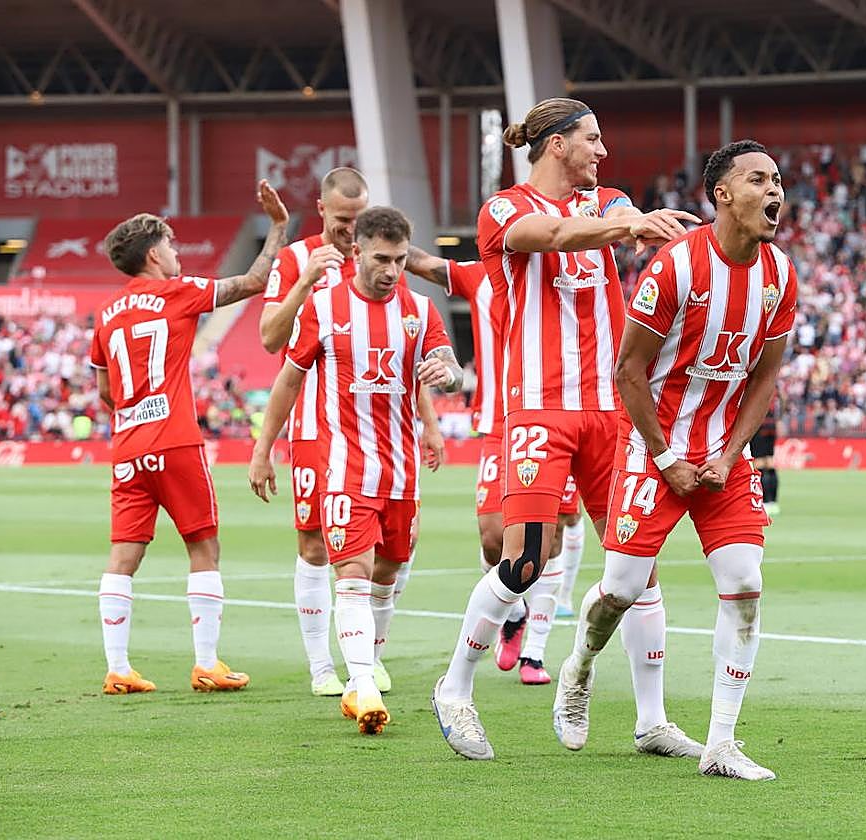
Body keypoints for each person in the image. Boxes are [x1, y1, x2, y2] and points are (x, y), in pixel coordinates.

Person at [431, 96, 701, 760]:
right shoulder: (504, 209)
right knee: (524, 561)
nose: (602, 151)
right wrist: (628, 228)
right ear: (557, 145)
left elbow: (616, 215)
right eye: (591, 139)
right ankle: (455, 690)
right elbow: (545, 238)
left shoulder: (609, 200)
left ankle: (651, 720)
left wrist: (632, 221)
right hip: (539, 410)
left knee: (639, 569)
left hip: (610, 414)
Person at [553, 140, 797, 781]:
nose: (774, 191)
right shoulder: (676, 267)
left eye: (777, 180)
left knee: (745, 587)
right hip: (653, 453)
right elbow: (628, 371)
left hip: (721, 461)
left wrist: (729, 452)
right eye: (758, 179)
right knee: (624, 590)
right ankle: (578, 669)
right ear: (723, 193)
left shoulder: (779, 274)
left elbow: (766, 378)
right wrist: (665, 456)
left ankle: (721, 744)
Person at [249, 207, 463, 736]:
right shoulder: (324, 306)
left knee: (389, 574)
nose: (391, 270)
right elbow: (288, 381)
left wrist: (448, 375)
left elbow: (450, 369)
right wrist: (262, 448)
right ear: (357, 252)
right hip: (344, 466)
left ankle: (368, 662)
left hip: (401, 472)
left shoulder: (419, 311)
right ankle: (360, 682)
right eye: (381, 259)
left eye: (398, 260)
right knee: (353, 574)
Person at [91, 180, 288, 695]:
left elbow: (105, 390)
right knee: (204, 546)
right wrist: (278, 227)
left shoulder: (105, 315)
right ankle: (207, 664)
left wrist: (133, 412)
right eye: (172, 246)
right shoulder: (178, 293)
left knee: (123, 556)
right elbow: (251, 282)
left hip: (127, 448)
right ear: (154, 254)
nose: (177, 255)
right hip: (176, 440)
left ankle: (118, 668)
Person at [404, 248, 581, 686]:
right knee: (491, 536)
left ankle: (535, 655)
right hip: (500, 423)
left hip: (558, 416)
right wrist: (365, 235)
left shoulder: (564, 271)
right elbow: (423, 262)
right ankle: (515, 612)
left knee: (553, 536)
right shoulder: (476, 275)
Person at [749, 394, 781, 517]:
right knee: (769, 462)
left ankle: (765, 501)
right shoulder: (774, 384)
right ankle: (773, 502)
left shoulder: (760, 380)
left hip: (760, 425)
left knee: (759, 464)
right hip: (771, 426)